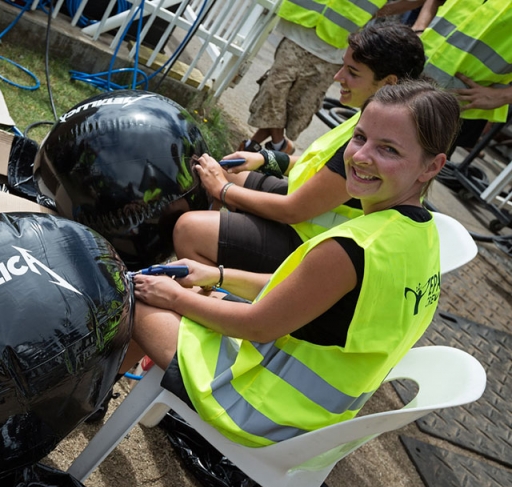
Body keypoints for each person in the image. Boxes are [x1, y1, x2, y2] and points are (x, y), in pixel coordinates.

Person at [118, 80, 458, 447]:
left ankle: (84, 399)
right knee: (190, 293)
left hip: (263, 406)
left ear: (431, 166)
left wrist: (174, 298)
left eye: (388, 150)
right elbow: (300, 297)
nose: (360, 156)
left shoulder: (351, 247)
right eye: (359, 138)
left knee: (136, 295)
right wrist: (216, 275)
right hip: (317, 414)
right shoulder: (422, 236)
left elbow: (258, 326)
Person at [173, 22, 425, 273]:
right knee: (225, 170)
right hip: (305, 215)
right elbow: (322, 164)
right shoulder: (375, 116)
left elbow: (293, 211)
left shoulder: (373, 143)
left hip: (312, 245)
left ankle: (222, 296)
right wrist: (264, 158)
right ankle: (223, 253)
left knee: (188, 229)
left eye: (353, 72)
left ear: (389, 83)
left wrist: (222, 189)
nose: (338, 78)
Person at [241, 0, 422, 154]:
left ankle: (256, 144)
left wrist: (372, 13)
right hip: (301, 25)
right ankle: (279, 144)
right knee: (274, 88)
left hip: (336, 43)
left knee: (298, 103)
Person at [411, 0, 512, 151]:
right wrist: (418, 29)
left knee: (415, 165)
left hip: (460, 103)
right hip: (413, 68)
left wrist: (503, 96)